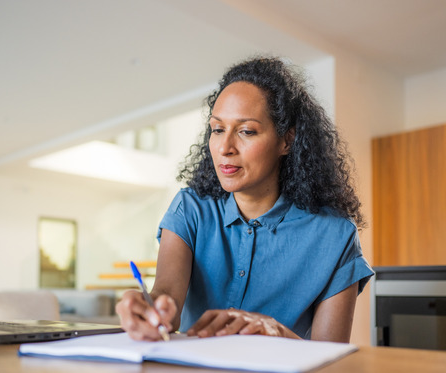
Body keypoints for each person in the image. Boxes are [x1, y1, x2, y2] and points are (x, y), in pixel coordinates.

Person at [115, 56, 374, 342]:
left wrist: (275, 331)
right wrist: (150, 310)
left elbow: (332, 359)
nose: (225, 147)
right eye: (217, 129)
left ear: (287, 141)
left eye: (246, 131)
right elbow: (167, 297)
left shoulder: (335, 234)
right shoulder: (191, 208)